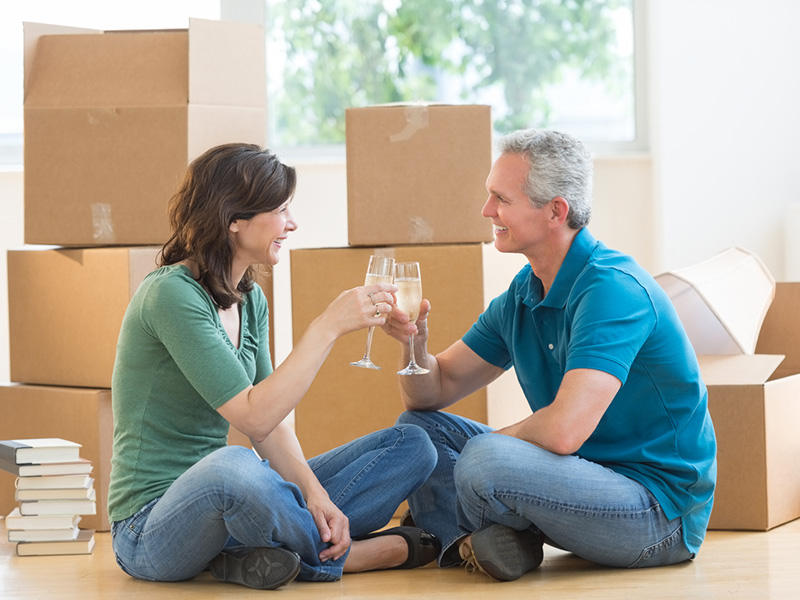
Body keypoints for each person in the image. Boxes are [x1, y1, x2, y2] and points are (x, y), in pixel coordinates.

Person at [383, 129, 717, 582]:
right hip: (578, 482)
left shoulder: (612, 290)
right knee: (419, 432)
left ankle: (485, 535)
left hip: (656, 513)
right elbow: (431, 392)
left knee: (484, 459)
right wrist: (413, 344)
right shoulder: (525, 292)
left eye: (501, 198)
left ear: (555, 211)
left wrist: (486, 451)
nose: (487, 211)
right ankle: (477, 544)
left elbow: (563, 432)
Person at [107, 143, 439, 590]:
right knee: (235, 467)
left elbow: (271, 426)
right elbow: (251, 416)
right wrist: (326, 327)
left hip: (236, 503)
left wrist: (316, 495)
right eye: (281, 209)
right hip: (151, 527)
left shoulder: (250, 298)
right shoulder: (171, 295)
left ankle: (262, 552)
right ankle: (346, 557)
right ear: (233, 219)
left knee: (412, 442)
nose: (292, 223)